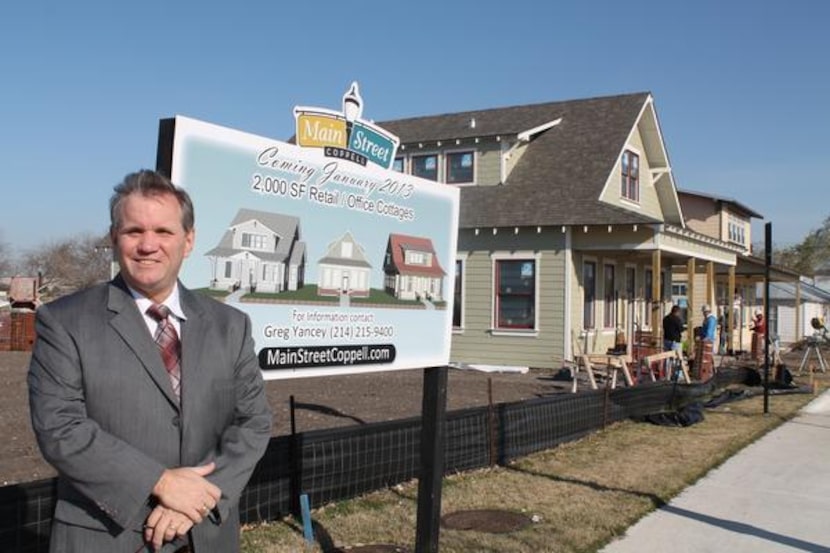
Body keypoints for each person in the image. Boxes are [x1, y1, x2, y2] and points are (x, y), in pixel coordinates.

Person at [28, 170, 273, 552]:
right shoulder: (65, 322)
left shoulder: (231, 326)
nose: (148, 245)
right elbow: (59, 428)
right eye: (133, 231)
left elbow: (253, 422)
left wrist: (197, 501)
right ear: (114, 238)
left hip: (206, 534)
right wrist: (161, 483)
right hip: (107, 537)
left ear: (188, 241)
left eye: (163, 232)